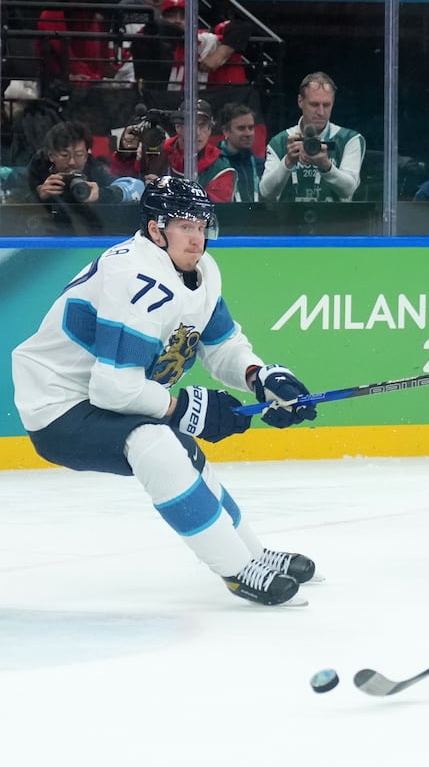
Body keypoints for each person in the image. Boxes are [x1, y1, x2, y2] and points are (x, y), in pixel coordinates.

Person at [11, 175, 321, 606]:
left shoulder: (202, 270)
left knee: (180, 450)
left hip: (100, 395)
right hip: (59, 406)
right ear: (156, 230)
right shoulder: (135, 278)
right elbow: (114, 389)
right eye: (185, 227)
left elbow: (222, 344)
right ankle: (236, 569)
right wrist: (188, 406)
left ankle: (252, 552)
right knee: (156, 443)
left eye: (201, 226)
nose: (197, 239)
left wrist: (259, 376)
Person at [260, 72, 365, 202]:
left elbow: (349, 190)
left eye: (326, 105)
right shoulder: (280, 141)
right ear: (300, 101)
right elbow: (265, 192)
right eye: (314, 105)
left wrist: (326, 166)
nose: (321, 112)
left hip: (335, 221)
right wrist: (287, 162)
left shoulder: (349, 139)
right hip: (290, 220)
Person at [23, 119, 137, 231]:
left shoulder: (94, 169)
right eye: (64, 155)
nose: (72, 162)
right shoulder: (38, 170)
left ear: (86, 155)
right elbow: (12, 207)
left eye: (79, 154)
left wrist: (103, 194)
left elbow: (137, 186)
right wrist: (38, 196)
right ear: (51, 155)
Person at [117, 98, 236, 202]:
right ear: (178, 127)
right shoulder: (156, 152)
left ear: (210, 129)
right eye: (191, 124)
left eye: (203, 125)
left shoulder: (220, 170)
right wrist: (126, 154)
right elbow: (123, 182)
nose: (198, 133)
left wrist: (171, 191)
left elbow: (215, 212)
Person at [38, 0, 115, 86]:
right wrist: (74, 76)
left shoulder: (98, 18)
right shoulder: (50, 15)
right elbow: (54, 54)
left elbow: (103, 56)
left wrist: (96, 76)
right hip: (57, 79)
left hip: (94, 79)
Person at [217, 103, 263, 202]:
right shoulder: (215, 165)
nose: (248, 133)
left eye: (251, 128)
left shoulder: (262, 165)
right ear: (226, 131)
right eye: (241, 128)